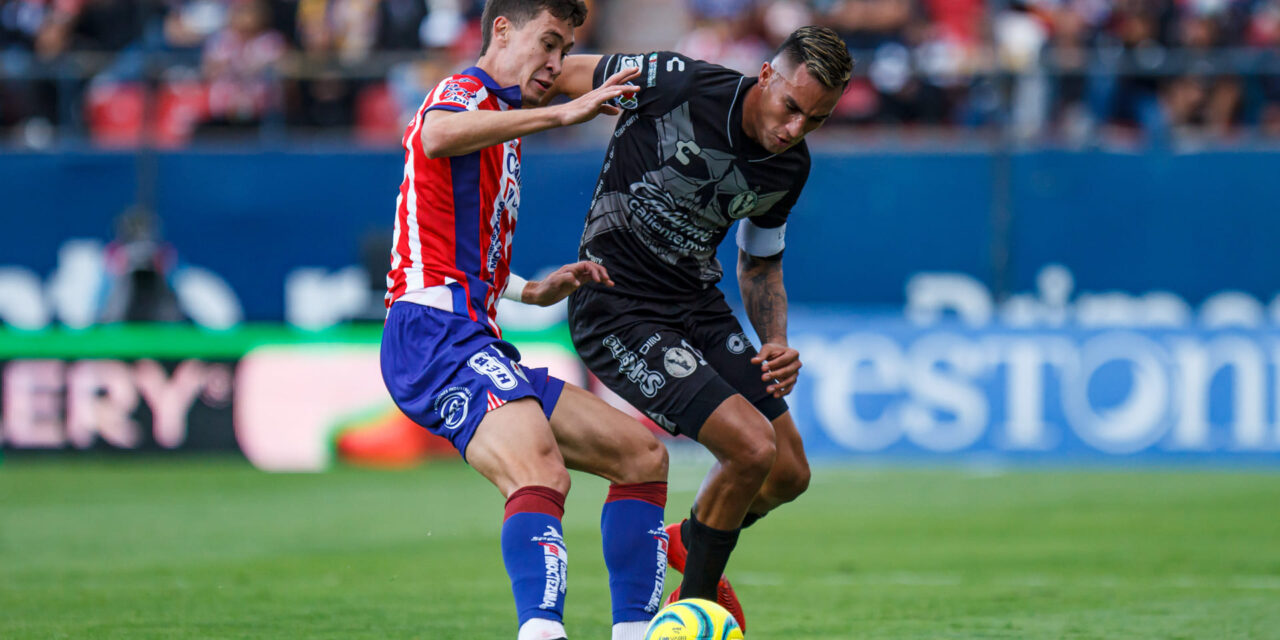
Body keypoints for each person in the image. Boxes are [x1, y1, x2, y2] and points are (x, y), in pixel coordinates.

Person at [378, 2, 671, 640]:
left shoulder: (501, 124)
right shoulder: (467, 92)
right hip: (431, 333)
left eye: (565, 50)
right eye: (549, 43)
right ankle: (541, 632)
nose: (557, 64)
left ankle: (637, 632)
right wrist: (564, 113)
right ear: (502, 30)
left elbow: (455, 242)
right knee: (540, 470)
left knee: (642, 454)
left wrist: (532, 291)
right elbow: (432, 134)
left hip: (474, 333)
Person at [548, 26, 854, 630]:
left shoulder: (789, 168)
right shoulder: (672, 81)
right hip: (618, 306)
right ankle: (692, 612)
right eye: (792, 107)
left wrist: (775, 340)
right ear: (767, 75)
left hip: (696, 304)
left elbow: (760, 259)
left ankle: (688, 539)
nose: (795, 129)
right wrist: (500, 116)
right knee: (749, 448)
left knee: (789, 471)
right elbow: (554, 74)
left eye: (814, 121)